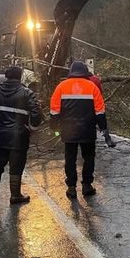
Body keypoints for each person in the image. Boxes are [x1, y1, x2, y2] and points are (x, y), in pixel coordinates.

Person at [0, 66, 42, 204]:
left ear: (6, 76)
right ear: (20, 77)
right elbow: (37, 112)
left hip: (0, 135)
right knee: (16, 166)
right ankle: (15, 196)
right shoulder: (27, 93)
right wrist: (32, 127)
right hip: (19, 137)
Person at [50, 61, 109, 199]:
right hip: (87, 129)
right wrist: (103, 129)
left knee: (70, 158)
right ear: (85, 72)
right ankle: (87, 186)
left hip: (68, 130)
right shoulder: (92, 86)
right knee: (88, 158)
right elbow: (100, 111)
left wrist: (55, 128)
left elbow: (54, 110)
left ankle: (71, 187)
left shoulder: (61, 87)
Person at [86, 69, 116, 148]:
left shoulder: (79, 81)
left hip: (84, 107)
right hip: (96, 105)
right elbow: (100, 93)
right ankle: (107, 139)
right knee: (102, 121)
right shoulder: (95, 79)